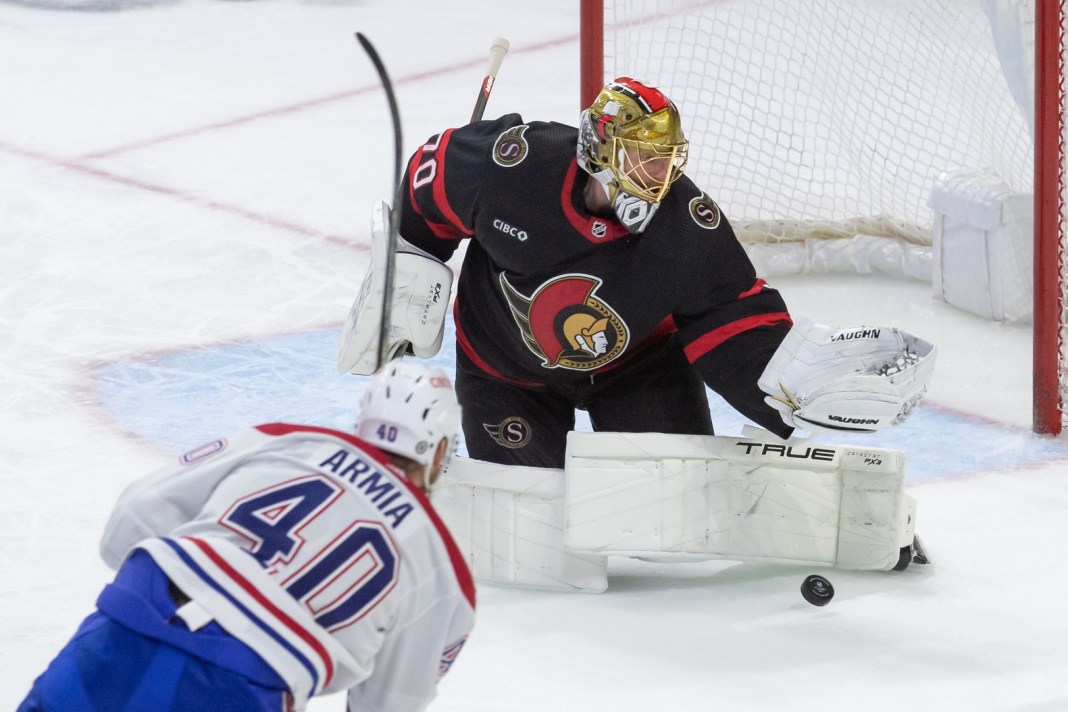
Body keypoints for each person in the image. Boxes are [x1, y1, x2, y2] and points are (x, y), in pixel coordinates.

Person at [338, 77, 935, 469]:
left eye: (666, 160)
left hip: (638, 373)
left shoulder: (688, 227)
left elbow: (734, 327)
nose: (658, 177)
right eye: (642, 159)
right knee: (530, 522)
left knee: (666, 518)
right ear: (599, 149)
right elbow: (427, 184)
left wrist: (792, 391)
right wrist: (413, 264)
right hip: (504, 372)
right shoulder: (513, 167)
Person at [18, 361, 474, 712]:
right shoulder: (445, 571)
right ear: (438, 450)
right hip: (249, 677)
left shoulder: (283, 439)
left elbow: (132, 517)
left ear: (362, 422)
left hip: (135, 612)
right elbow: (387, 702)